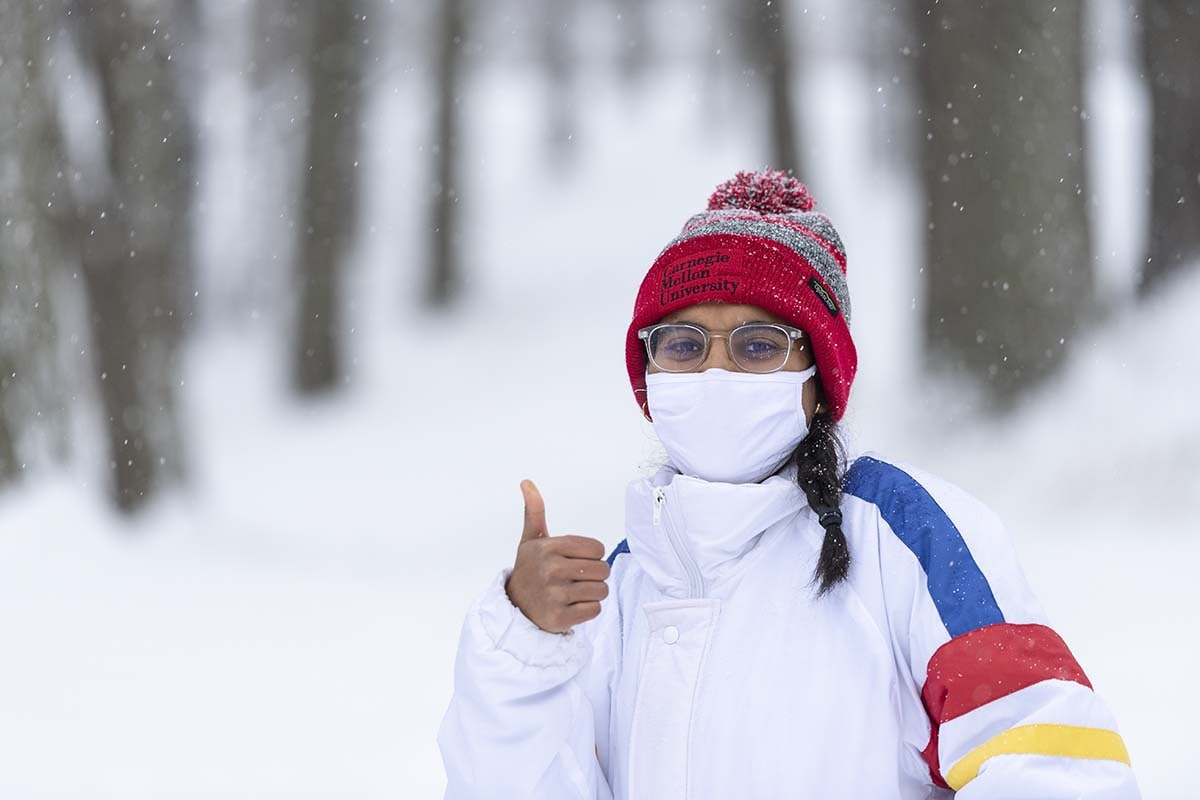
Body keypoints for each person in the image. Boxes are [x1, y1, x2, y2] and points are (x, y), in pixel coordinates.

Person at [438, 170, 1140, 799]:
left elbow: (1053, 761)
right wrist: (521, 644)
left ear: (817, 383)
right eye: (682, 345)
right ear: (649, 378)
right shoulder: (613, 588)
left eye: (758, 345)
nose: (716, 372)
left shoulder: (906, 535)